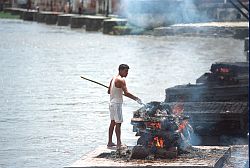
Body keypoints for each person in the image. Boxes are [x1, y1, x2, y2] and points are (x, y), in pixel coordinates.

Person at [107, 64, 142, 149]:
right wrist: (136, 99)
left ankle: (110, 142)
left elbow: (108, 91)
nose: (127, 73)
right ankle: (119, 144)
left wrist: (117, 90)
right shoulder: (121, 80)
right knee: (118, 123)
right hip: (117, 104)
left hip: (111, 103)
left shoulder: (113, 78)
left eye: (127, 71)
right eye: (126, 71)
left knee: (113, 122)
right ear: (121, 70)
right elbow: (126, 93)